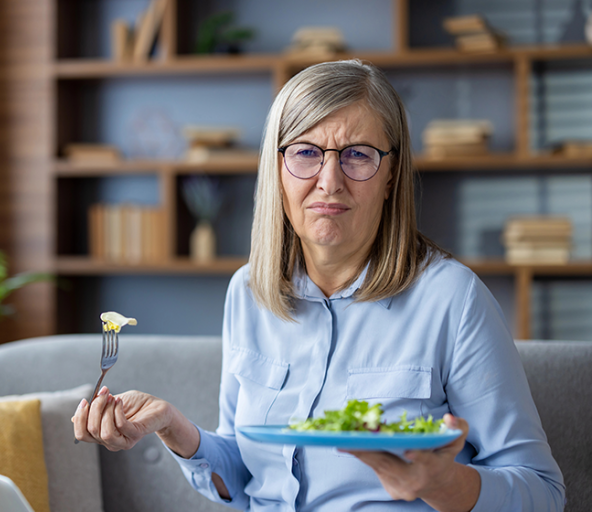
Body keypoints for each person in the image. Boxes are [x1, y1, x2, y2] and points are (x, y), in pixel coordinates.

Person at [72, 59, 565, 511]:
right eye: (306, 152)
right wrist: (173, 426)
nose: (330, 181)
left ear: (391, 174)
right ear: (278, 171)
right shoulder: (248, 293)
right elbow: (247, 476)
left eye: (358, 155)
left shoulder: (453, 300)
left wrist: (439, 483)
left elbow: (543, 491)